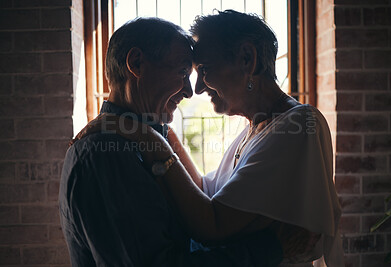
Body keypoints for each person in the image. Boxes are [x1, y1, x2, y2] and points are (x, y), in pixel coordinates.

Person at [77, 10, 345, 266]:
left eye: (203, 69)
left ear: (246, 59)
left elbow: (212, 223)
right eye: (188, 73)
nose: (197, 87)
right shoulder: (256, 127)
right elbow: (205, 192)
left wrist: (146, 137)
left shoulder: (298, 125)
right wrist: (157, 129)